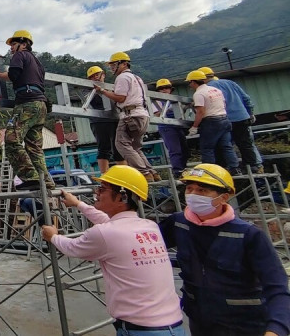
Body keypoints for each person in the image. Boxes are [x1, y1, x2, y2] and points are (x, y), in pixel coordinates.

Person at [42, 166, 185, 335]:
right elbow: (110, 223)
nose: (96, 192)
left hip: (141, 330)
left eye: (102, 189)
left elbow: (72, 247)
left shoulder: (106, 233)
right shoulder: (149, 226)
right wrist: (79, 204)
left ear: (122, 197)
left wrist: (53, 236)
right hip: (172, 325)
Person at [158, 164, 290, 336]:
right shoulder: (178, 223)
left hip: (246, 325)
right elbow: (146, 247)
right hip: (201, 322)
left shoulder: (248, 235)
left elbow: (277, 287)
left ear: (224, 197)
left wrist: (276, 329)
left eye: (202, 190)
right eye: (189, 189)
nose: (193, 195)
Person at [0, 30, 55, 189]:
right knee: (34, 147)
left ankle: (31, 177)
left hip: (27, 104)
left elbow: (13, 76)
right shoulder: (37, 62)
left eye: (13, 44)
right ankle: (46, 181)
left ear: (23, 44)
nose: (11, 48)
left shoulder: (20, 55)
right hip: (41, 106)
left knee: (11, 140)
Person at [94, 52, 161, 182]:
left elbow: (120, 97)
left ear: (124, 64)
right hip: (142, 115)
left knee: (121, 144)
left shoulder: (122, 78)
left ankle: (144, 172)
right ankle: (152, 172)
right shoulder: (138, 78)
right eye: (111, 65)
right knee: (135, 147)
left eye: (114, 64)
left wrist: (103, 91)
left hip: (130, 116)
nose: (112, 68)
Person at [200, 67, 264, 173]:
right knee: (245, 143)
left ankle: (226, 168)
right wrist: (250, 113)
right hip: (242, 117)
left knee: (223, 145)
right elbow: (246, 98)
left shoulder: (207, 89)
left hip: (223, 119)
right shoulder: (230, 83)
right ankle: (253, 166)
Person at [185, 71, 240, 174]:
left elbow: (200, 112)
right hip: (224, 119)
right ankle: (234, 168)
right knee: (226, 146)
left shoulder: (199, 94)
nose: (189, 85)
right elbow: (223, 103)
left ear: (193, 82)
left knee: (207, 148)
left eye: (189, 82)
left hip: (211, 122)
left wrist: (195, 126)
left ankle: (209, 172)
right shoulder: (215, 90)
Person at [86, 66, 125, 173]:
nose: (96, 78)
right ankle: (105, 176)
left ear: (103, 75)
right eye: (92, 77)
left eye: (97, 75)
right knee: (103, 148)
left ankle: (124, 174)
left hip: (115, 120)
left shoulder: (112, 89)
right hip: (98, 122)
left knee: (119, 148)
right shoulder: (89, 92)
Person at [153, 79, 188, 178]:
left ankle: (183, 169)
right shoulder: (156, 101)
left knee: (184, 150)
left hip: (178, 126)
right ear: (158, 90)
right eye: (161, 88)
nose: (164, 90)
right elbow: (157, 114)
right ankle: (178, 171)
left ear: (170, 89)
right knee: (175, 150)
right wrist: (169, 109)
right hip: (166, 127)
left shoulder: (175, 99)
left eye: (166, 88)